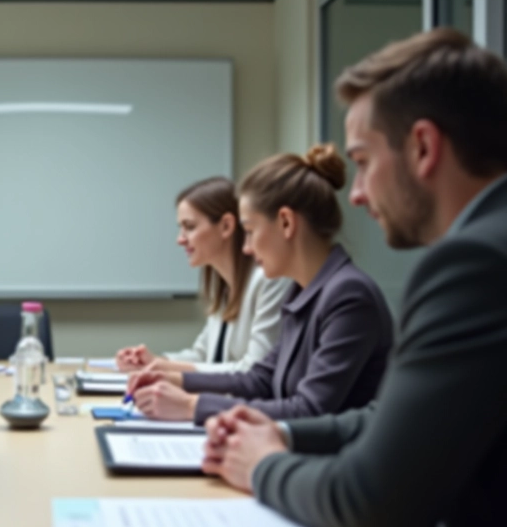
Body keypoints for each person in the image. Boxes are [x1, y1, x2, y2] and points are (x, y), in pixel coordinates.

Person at [202, 28, 507, 527]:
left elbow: (373, 507)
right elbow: (391, 416)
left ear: (424, 147)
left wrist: (263, 465)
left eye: (363, 161)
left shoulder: (479, 264)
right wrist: (284, 435)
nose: (355, 193)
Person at [127, 144, 393, 424]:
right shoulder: (302, 291)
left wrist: (192, 406)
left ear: (286, 223)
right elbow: (260, 379)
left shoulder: (348, 295)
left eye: (251, 231)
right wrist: (176, 379)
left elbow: (309, 410)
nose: (246, 249)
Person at [116, 177, 290, 374]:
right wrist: (153, 361)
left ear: (226, 226)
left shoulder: (268, 280)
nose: (180, 239)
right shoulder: (223, 284)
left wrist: (165, 367)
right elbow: (203, 355)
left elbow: (253, 371)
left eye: (189, 227)